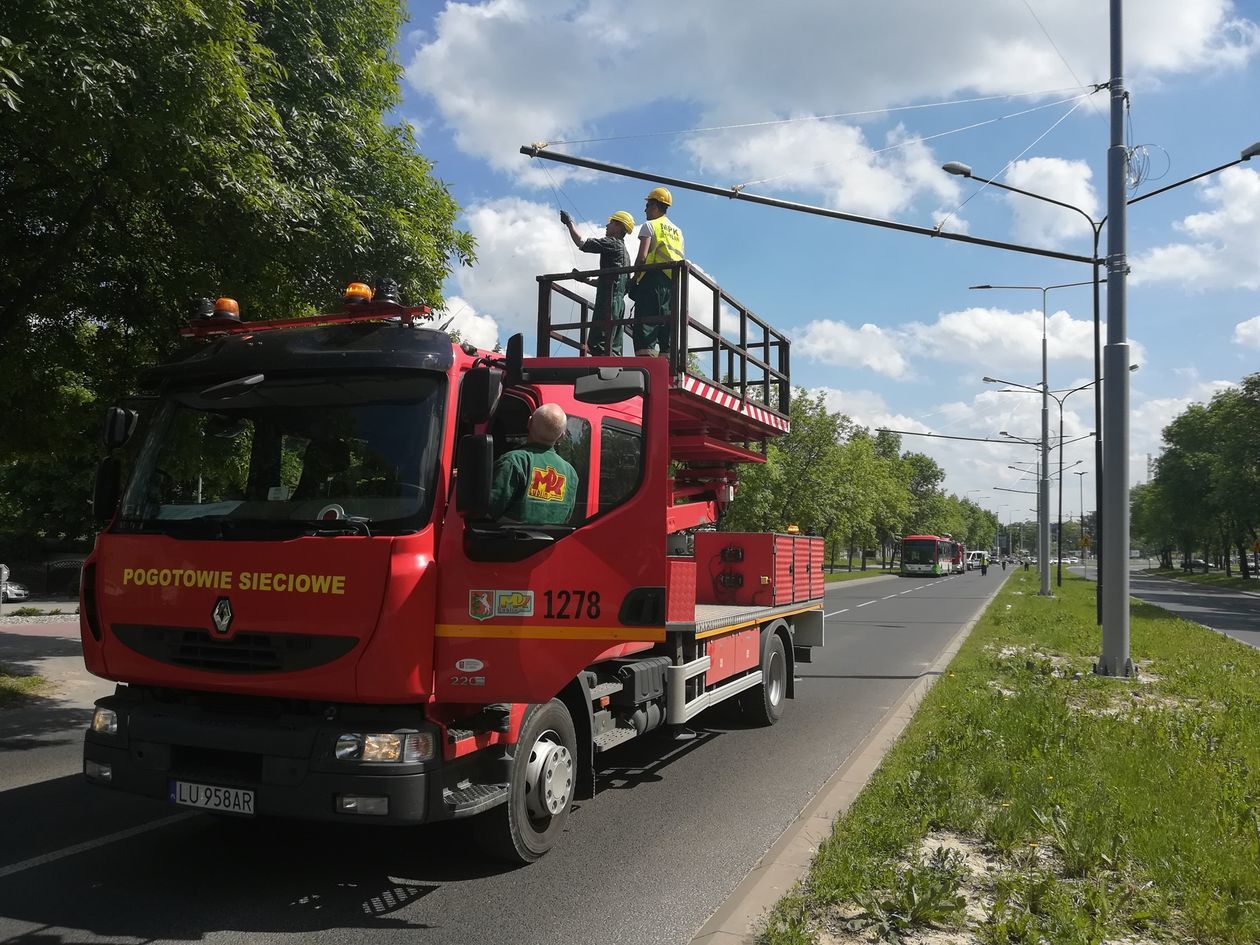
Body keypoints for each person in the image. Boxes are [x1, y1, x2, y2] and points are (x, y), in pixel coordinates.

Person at [487, 404, 578, 524]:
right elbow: (566, 518)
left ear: (529, 422)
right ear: (562, 435)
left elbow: (488, 510)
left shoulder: (513, 461)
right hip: (552, 542)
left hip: (505, 541)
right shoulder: (571, 474)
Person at [561, 209, 635, 356]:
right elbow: (610, 281)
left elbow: (582, 243)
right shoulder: (625, 254)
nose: (607, 226)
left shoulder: (613, 244)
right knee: (612, 347)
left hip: (607, 303)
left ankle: (601, 372)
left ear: (619, 227)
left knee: (598, 344)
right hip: (618, 306)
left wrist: (569, 223)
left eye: (611, 223)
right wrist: (585, 279)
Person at [631, 187, 685, 357]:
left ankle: (644, 361)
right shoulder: (678, 231)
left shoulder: (649, 226)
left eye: (647, 205)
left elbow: (642, 257)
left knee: (646, 324)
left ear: (654, 206)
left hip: (652, 280)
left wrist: (635, 278)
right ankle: (667, 362)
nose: (644, 209)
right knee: (666, 326)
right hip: (673, 283)